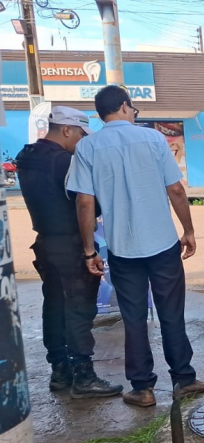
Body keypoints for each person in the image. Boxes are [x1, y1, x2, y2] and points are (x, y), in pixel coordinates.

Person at [67, 85, 204, 408]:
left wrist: (89, 250)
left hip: (123, 250)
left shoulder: (88, 148)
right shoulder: (154, 139)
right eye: (132, 108)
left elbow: (85, 203)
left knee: (133, 319)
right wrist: (188, 230)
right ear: (123, 106)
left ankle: (143, 389)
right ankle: (184, 380)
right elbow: (175, 189)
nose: (133, 113)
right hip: (162, 245)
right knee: (171, 313)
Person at [16, 106, 123, 399]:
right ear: (66, 130)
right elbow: (87, 204)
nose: (80, 140)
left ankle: (60, 372)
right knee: (79, 309)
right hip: (70, 245)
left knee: (53, 306)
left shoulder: (27, 157)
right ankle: (84, 377)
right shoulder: (65, 162)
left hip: (45, 243)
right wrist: (90, 251)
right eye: (79, 133)